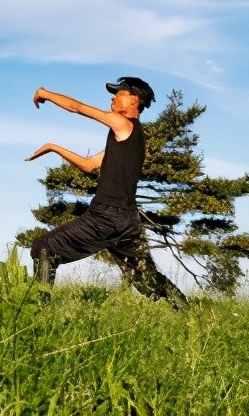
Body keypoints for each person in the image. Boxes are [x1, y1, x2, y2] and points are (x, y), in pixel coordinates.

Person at [25, 76, 186, 305]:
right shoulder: (129, 137)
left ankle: (37, 315)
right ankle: (190, 315)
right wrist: (53, 147)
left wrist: (45, 93)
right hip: (128, 220)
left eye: (118, 93)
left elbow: (77, 108)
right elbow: (89, 165)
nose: (113, 97)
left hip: (105, 216)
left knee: (44, 247)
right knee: (146, 281)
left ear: (133, 99)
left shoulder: (123, 124)